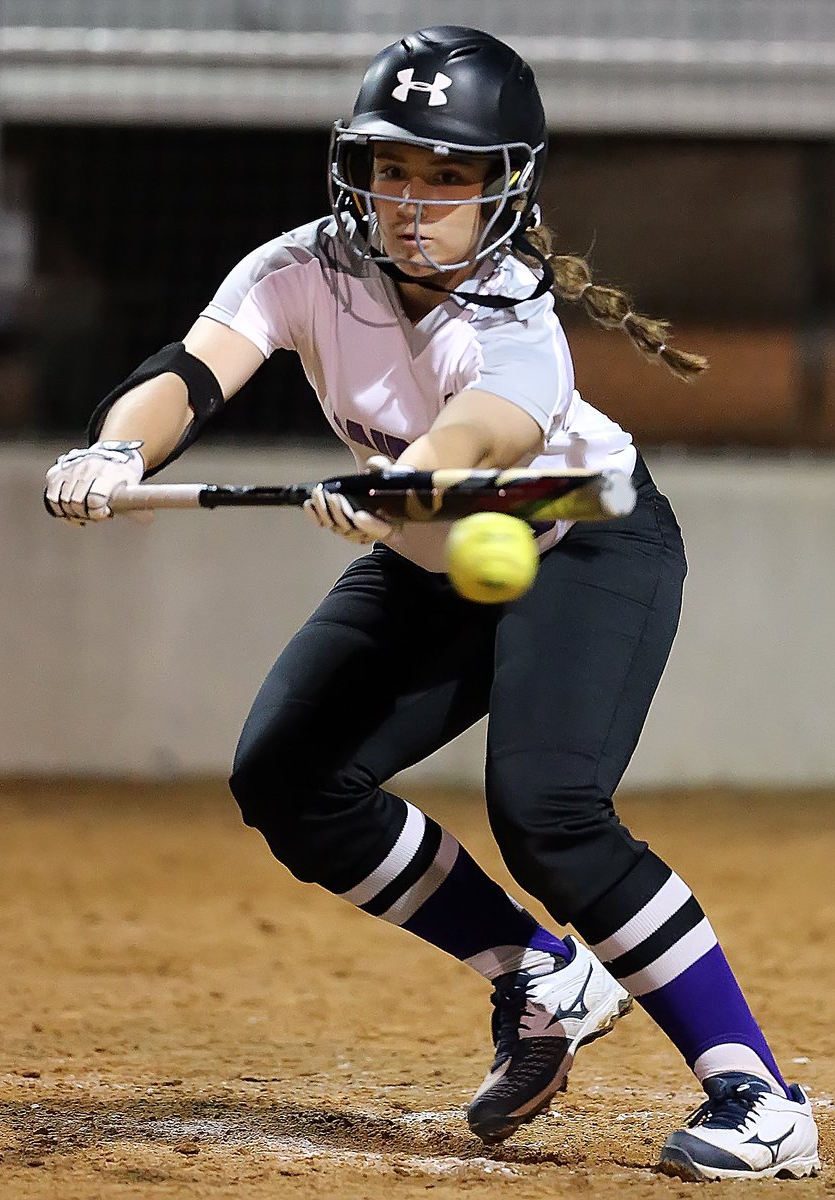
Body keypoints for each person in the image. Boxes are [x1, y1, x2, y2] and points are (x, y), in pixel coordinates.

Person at [44, 26, 819, 1182]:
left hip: (581, 542)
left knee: (548, 811)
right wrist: (115, 449)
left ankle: (760, 1098)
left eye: (448, 174)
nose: (412, 200)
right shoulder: (298, 268)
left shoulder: (517, 319)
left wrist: (407, 481)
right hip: (431, 561)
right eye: (391, 166)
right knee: (289, 777)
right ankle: (533, 975)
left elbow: (478, 437)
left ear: (506, 186)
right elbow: (193, 371)